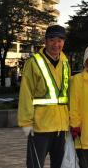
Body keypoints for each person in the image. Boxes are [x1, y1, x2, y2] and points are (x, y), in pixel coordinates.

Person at [17, 25, 70, 168]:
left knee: (59, 165)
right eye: (52, 40)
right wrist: (26, 123)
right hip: (40, 127)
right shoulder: (33, 63)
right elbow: (26, 93)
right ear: (45, 41)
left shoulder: (65, 63)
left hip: (61, 127)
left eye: (60, 40)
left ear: (63, 42)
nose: (56, 44)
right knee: (35, 164)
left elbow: (67, 95)